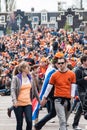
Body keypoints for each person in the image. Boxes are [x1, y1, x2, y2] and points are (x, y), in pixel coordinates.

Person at [41, 56, 76, 130]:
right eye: (59, 63)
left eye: (62, 63)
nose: (60, 65)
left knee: (64, 121)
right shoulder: (54, 75)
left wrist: (72, 97)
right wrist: (44, 98)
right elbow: (49, 87)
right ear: (56, 64)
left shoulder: (72, 74)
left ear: (66, 63)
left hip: (69, 100)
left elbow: (73, 86)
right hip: (58, 100)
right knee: (62, 121)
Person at [11, 61, 40, 130]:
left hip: (28, 103)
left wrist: (39, 100)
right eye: (27, 67)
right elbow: (12, 90)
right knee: (19, 123)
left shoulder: (31, 78)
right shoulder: (16, 78)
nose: (29, 68)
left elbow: (35, 91)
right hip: (18, 103)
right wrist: (14, 101)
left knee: (29, 121)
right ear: (23, 69)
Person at [34, 57, 58, 130]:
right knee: (52, 111)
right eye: (41, 62)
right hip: (48, 92)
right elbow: (48, 84)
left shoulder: (50, 69)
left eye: (43, 62)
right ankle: (36, 122)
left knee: (53, 111)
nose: (42, 64)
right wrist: (44, 96)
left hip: (50, 92)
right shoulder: (52, 70)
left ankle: (38, 124)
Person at [72, 55, 87, 130]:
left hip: (86, 90)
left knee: (81, 108)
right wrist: (84, 79)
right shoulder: (78, 70)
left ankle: (75, 124)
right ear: (84, 61)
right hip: (81, 91)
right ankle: (75, 125)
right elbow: (76, 81)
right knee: (85, 107)